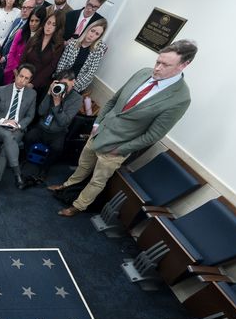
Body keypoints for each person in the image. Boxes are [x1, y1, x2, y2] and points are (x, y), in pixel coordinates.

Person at [50, 40, 197, 216]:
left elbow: (153, 135)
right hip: (99, 132)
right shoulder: (143, 73)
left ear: (184, 65)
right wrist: (97, 123)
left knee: (97, 181)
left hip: (117, 147)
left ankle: (78, 206)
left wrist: (120, 149)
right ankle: (66, 186)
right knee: (83, 165)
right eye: (158, 61)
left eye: (165, 65)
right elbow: (113, 101)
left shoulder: (180, 98)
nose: (157, 68)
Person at [0, 63, 37, 200]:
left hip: (17, 129)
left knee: (6, 147)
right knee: (8, 137)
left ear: (30, 80)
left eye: (26, 78)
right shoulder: (1, 90)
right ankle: (17, 174)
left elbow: (30, 116)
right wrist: (5, 121)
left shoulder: (32, 94)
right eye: (21, 76)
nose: (22, 80)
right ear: (16, 74)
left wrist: (18, 125)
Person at [23, 69, 83, 178]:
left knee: (57, 149)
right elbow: (41, 112)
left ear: (73, 82)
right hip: (42, 127)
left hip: (58, 132)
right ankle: (27, 160)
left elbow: (64, 121)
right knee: (28, 137)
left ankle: (45, 169)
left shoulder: (77, 99)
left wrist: (57, 103)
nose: (63, 87)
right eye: (61, 83)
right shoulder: (54, 90)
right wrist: (48, 94)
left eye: (66, 84)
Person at [20, 10, 65, 101]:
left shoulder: (59, 45)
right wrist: (22, 76)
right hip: (23, 78)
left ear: (58, 28)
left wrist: (33, 84)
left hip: (39, 84)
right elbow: (23, 58)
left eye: (54, 25)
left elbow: (51, 67)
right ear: (44, 23)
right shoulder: (34, 38)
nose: (49, 27)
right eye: (48, 23)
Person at [55, 19, 108, 94]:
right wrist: (62, 81)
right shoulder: (72, 44)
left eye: (97, 34)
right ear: (88, 29)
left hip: (78, 87)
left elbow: (90, 73)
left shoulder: (97, 51)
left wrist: (73, 86)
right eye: (92, 31)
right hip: (62, 80)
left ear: (99, 37)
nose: (92, 35)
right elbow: (61, 64)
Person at [4, 3, 43, 84]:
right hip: (12, 70)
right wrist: (15, 71)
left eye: (37, 21)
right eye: (31, 20)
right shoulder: (21, 33)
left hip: (26, 77)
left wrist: (22, 75)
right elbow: (11, 53)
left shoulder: (41, 39)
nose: (33, 24)